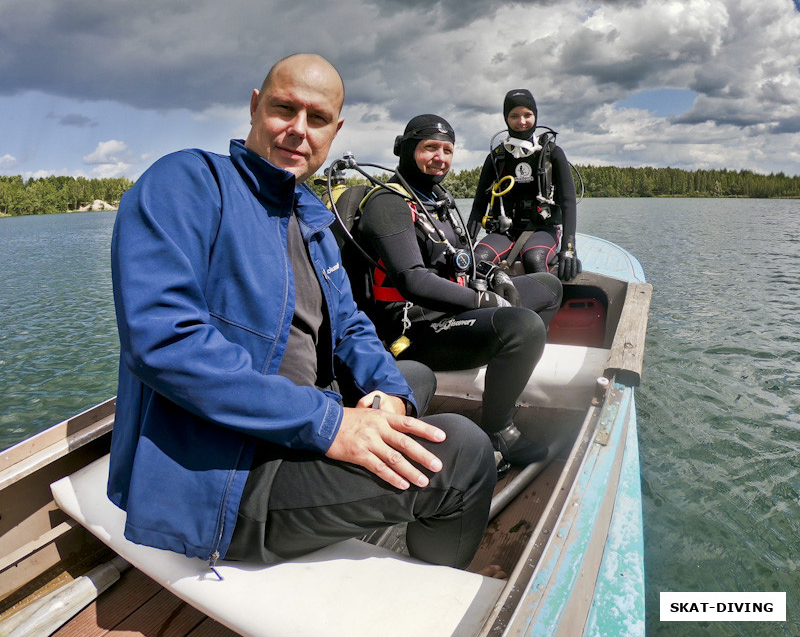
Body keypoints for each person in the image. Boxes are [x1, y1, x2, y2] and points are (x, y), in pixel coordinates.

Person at [107, 54, 497, 572]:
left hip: (297, 425)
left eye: (316, 119)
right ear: (253, 107)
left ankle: (379, 497)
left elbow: (352, 325)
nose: (297, 130)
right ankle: (430, 585)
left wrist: (390, 398)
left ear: (334, 131)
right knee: (465, 454)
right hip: (228, 470)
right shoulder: (188, 182)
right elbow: (165, 342)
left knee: (414, 377)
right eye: (283, 109)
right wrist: (332, 424)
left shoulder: (308, 214)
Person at [351, 115, 563, 467]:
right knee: (523, 326)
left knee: (549, 287)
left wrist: (494, 275)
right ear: (404, 149)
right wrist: (484, 300)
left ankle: (509, 376)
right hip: (413, 333)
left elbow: (456, 258)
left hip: (452, 313)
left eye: (447, 150)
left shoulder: (435, 201)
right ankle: (499, 430)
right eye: (429, 147)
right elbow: (413, 280)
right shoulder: (388, 203)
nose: (440, 157)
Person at [468, 89, 581, 280]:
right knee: (479, 260)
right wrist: (466, 244)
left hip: (542, 229)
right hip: (504, 232)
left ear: (535, 116)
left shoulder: (552, 153)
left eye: (527, 115)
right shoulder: (497, 156)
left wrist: (569, 248)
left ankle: (542, 308)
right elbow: (479, 205)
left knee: (534, 259)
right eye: (514, 116)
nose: (521, 122)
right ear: (506, 118)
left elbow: (569, 202)